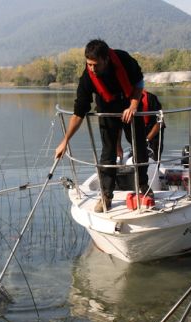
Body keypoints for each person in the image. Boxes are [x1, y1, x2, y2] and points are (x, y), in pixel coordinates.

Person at [54, 39, 150, 212]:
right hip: (107, 109)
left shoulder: (124, 59)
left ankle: (144, 188)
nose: (92, 68)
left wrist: (134, 105)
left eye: (95, 65)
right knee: (108, 152)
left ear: (106, 59)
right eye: (89, 64)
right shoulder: (87, 78)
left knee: (140, 147)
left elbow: (139, 82)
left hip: (130, 105)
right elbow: (78, 113)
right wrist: (65, 141)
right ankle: (106, 196)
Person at [117, 89, 165, 161]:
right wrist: (118, 146)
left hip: (153, 135)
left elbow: (160, 122)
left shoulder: (151, 98)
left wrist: (147, 139)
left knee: (153, 157)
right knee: (138, 156)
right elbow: (118, 125)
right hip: (135, 134)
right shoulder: (122, 99)